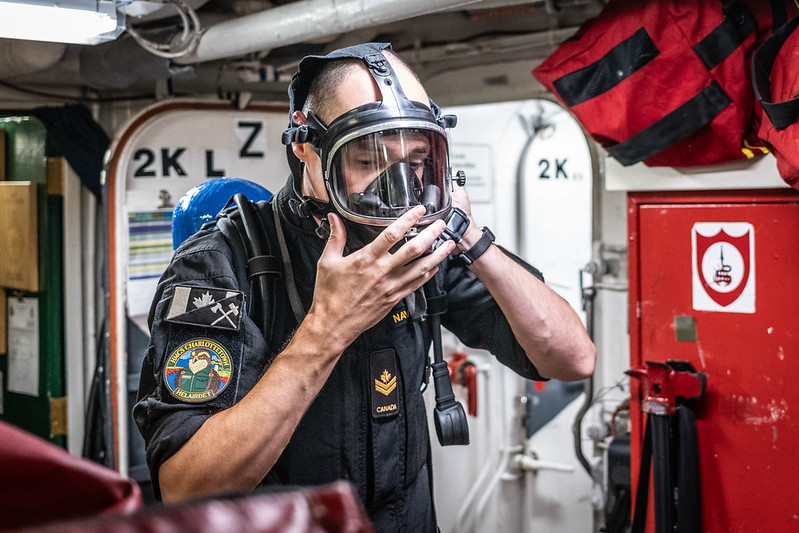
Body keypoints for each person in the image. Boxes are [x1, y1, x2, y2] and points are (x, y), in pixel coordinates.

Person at [134, 42, 595, 532]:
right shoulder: (219, 264)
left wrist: (470, 237)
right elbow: (186, 487)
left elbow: (572, 360)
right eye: (368, 159)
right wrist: (327, 329)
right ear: (305, 146)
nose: (398, 187)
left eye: (416, 160)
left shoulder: (422, 247)